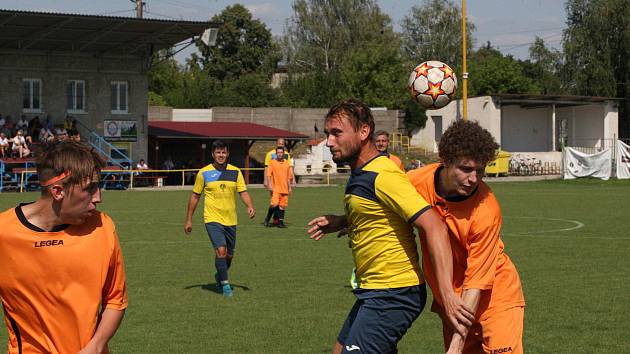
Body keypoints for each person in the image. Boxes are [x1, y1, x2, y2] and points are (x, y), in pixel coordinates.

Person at [307, 99, 474, 354]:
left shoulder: (382, 175)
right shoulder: (362, 173)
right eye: (328, 133)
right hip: (374, 290)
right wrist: (341, 221)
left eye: (336, 133)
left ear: (364, 132)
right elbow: (380, 212)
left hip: (394, 293)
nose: (329, 141)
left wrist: (448, 294)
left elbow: (434, 225)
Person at [407, 120, 525, 354]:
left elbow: (476, 282)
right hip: (451, 301)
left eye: (479, 171)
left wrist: (457, 344)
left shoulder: (487, 209)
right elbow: (384, 202)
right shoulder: (416, 182)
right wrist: (346, 220)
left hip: (496, 299)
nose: (473, 179)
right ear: (446, 160)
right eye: (465, 169)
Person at [0, 141, 128, 353]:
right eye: (90, 189)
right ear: (58, 191)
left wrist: (95, 347)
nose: (99, 198)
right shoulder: (4, 233)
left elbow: (115, 299)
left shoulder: (102, 227)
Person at [184, 140, 256, 298]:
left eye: (223, 152)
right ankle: (225, 286)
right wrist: (189, 219)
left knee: (229, 255)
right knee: (221, 251)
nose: (221, 155)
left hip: (231, 219)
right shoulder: (204, 173)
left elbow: (243, 192)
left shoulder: (235, 172)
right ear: (213, 154)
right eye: (218, 152)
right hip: (212, 218)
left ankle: (220, 275)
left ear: (227, 154)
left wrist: (249, 205)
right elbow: (195, 197)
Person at [264, 146, 293, 228]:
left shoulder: (287, 163)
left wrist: (290, 187)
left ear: (283, 154)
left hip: (285, 188)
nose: (280, 154)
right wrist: (270, 185)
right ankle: (267, 219)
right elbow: (269, 175)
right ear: (276, 154)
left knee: (282, 206)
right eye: (278, 153)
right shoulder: (272, 162)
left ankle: (280, 223)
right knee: (274, 204)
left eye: (281, 152)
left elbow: (288, 177)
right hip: (275, 188)